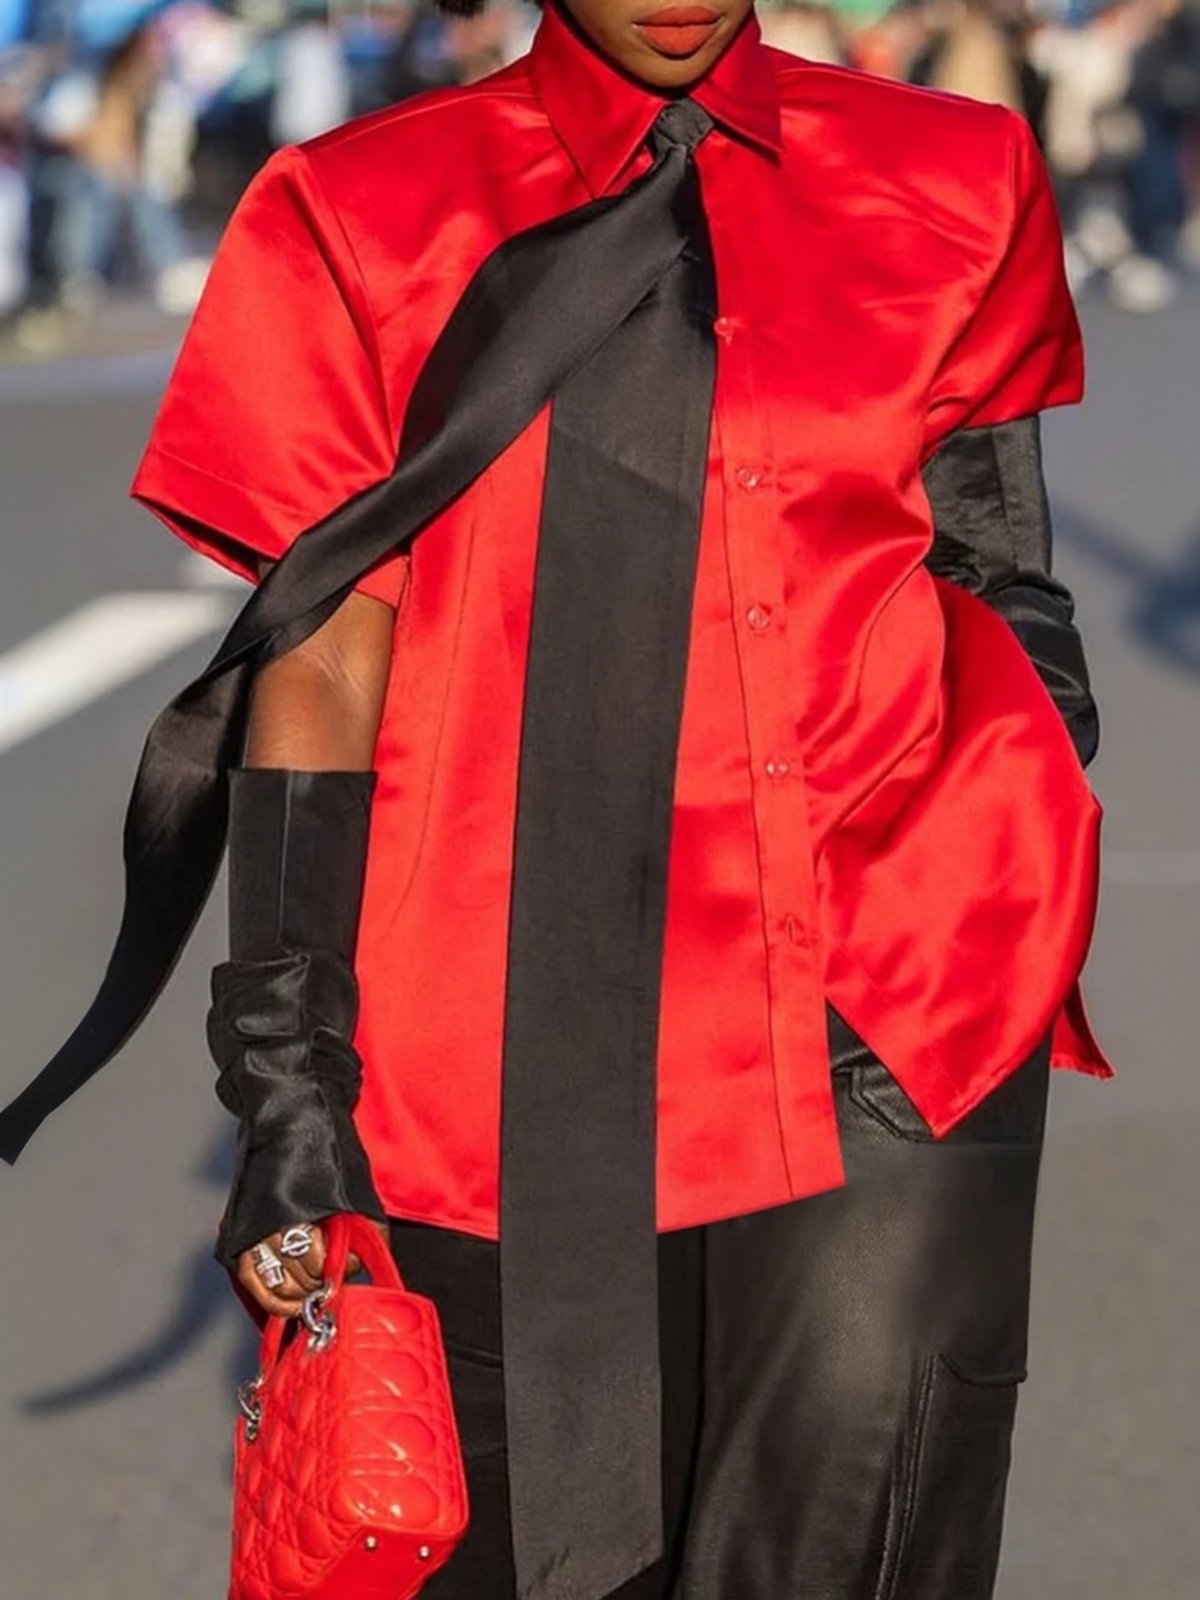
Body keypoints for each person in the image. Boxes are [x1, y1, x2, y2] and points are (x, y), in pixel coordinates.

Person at [0, 2, 1111, 1597]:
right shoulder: (355, 210)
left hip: (894, 1011)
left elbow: (993, 563)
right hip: (494, 1070)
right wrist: (289, 1083)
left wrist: (1028, 829)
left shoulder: (954, 170)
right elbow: (316, 673)